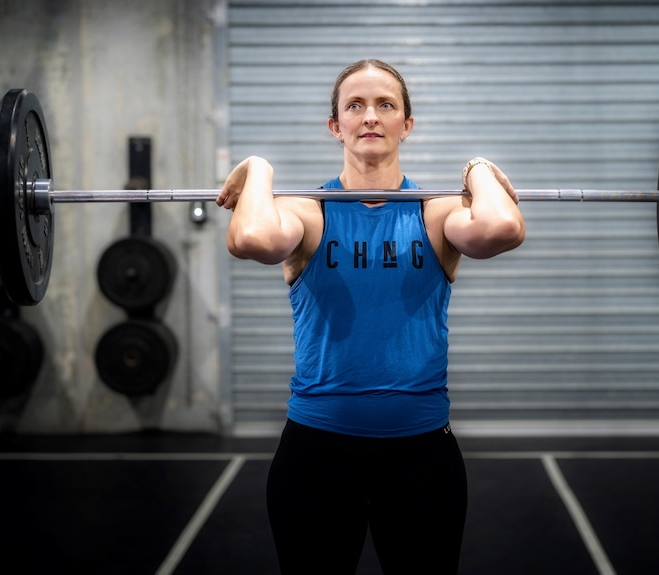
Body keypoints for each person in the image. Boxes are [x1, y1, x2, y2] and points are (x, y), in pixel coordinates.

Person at [216, 59, 525, 574]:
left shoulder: (436, 212)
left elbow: (502, 229)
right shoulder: (308, 211)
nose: (370, 117)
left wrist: (478, 168)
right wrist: (258, 168)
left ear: (407, 124)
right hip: (315, 455)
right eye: (354, 106)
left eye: (386, 105)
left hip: (422, 458)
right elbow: (250, 239)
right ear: (335, 126)